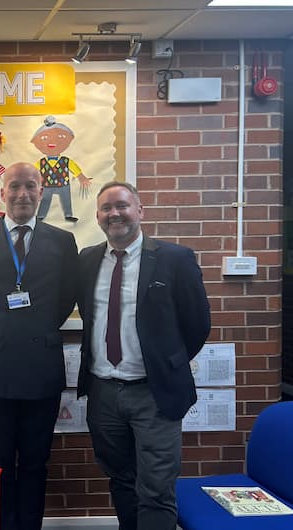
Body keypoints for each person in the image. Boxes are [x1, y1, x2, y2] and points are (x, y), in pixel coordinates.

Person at [76, 181, 211, 530]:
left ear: (140, 211)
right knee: (121, 480)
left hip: (154, 394)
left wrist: (166, 365)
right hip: (104, 393)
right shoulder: (87, 260)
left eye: (122, 206)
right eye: (106, 208)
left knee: (156, 490)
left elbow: (197, 324)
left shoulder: (175, 259)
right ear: (97, 216)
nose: (114, 214)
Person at [0, 162, 78, 530]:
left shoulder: (62, 241)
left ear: (42, 192)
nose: (22, 194)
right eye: (14, 186)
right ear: (2, 193)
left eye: (30, 186)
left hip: (42, 367)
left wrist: (36, 326)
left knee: (34, 462)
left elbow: (67, 297)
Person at [30, 116, 91, 222]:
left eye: (60, 137)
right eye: (45, 138)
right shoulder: (41, 162)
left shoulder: (66, 161)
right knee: (45, 201)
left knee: (66, 200)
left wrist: (81, 177)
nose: (52, 141)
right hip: (47, 185)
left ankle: (68, 215)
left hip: (63, 184)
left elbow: (75, 168)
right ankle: (40, 216)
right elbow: (32, 172)